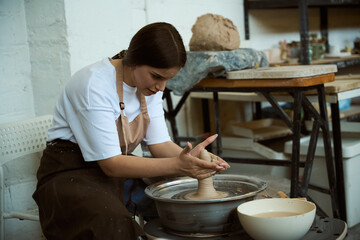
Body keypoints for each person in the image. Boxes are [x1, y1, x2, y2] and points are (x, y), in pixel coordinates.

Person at [33, 22, 230, 240]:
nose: (162, 87)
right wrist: (178, 165)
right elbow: (111, 164)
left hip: (116, 173)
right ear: (134, 60)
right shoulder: (93, 85)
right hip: (69, 174)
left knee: (178, 205)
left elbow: (159, 145)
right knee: (113, 222)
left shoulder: (150, 88)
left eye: (167, 79)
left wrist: (198, 159)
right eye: (156, 76)